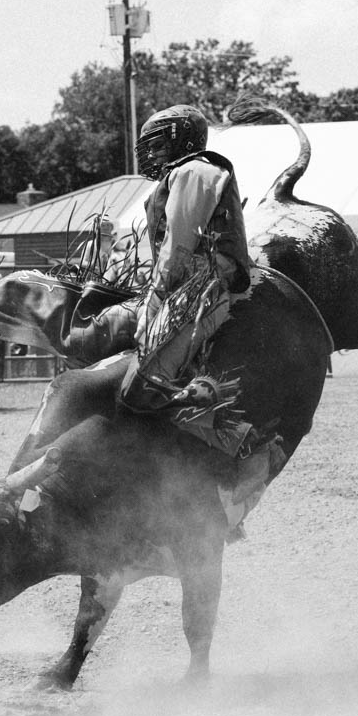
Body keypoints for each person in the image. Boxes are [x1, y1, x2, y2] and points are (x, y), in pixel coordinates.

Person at [119, 103, 253, 455]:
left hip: (200, 290)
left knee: (143, 383)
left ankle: (231, 437)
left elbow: (178, 246)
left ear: (182, 140)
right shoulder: (186, 172)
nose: (151, 152)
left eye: (159, 143)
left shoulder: (193, 172)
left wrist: (155, 300)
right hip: (190, 285)